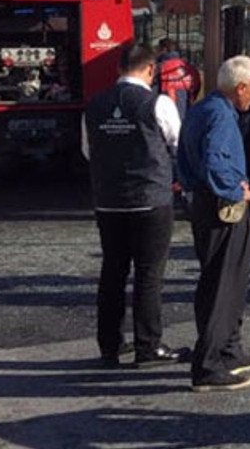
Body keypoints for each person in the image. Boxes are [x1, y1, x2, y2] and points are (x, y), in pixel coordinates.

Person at [82, 44, 187, 368]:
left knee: (112, 272)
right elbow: (177, 144)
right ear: (151, 70)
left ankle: (110, 345)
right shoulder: (159, 103)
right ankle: (148, 345)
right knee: (148, 274)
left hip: (109, 201)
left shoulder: (94, 106)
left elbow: (88, 150)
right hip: (150, 201)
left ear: (118, 69)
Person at [177, 55, 250, 392]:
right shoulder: (221, 116)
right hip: (222, 206)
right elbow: (216, 159)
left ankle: (228, 351)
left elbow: (187, 156)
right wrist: (234, 189)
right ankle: (209, 364)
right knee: (223, 285)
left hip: (202, 201)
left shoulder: (205, 108)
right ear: (240, 87)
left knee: (221, 279)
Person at [155, 38, 201, 119]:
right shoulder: (189, 68)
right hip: (187, 115)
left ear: (164, 50)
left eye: (158, 49)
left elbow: (152, 93)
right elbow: (196, 88)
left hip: (165, 117)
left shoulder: (159, 68)